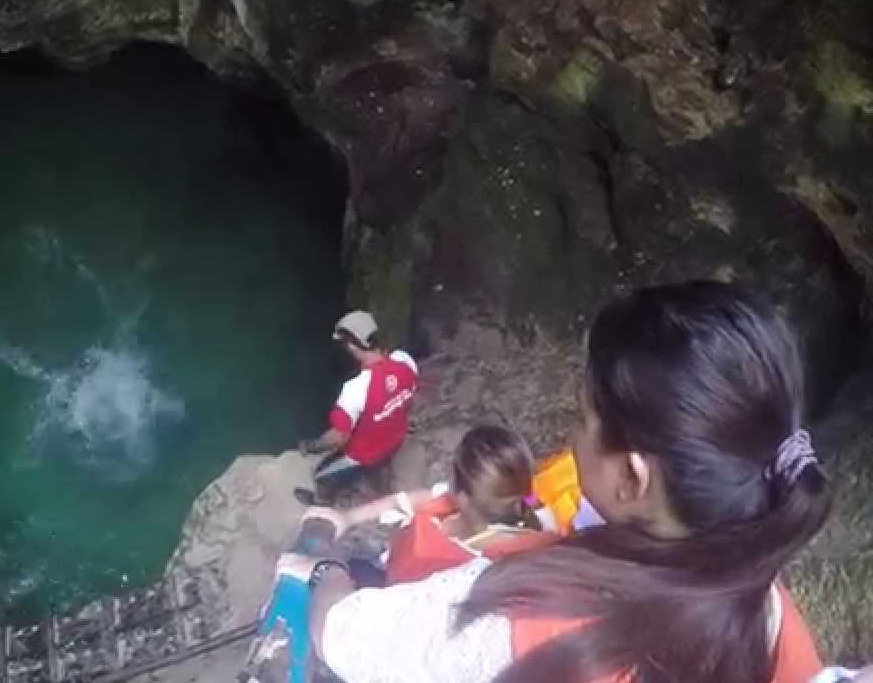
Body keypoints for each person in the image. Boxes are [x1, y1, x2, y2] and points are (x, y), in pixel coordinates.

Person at [283, 281, 830, 683]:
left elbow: (343, 634)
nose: (572, 436)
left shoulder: (518, 615)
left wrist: (321, 567)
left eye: (583, 416)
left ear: (632, 476)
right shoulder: (769, 611)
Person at [336, 425, 557, 587]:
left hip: (399, 588)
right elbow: (399, 501)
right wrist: (348, 518)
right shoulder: (542, 526)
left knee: (353, 568)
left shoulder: (463, 560)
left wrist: (347, 519)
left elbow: (402, 503)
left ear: (461, 496)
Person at [294, 310, 418, 506]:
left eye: (344, 343)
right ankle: (380, 475)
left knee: (321, 475)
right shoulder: (405, 361)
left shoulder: (355, 389)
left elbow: (338, 437)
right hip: (396, 438)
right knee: (380, 455)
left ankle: (322, 502)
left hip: (365, 454)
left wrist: (311, 446)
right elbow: (406, 396)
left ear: (352, 345)